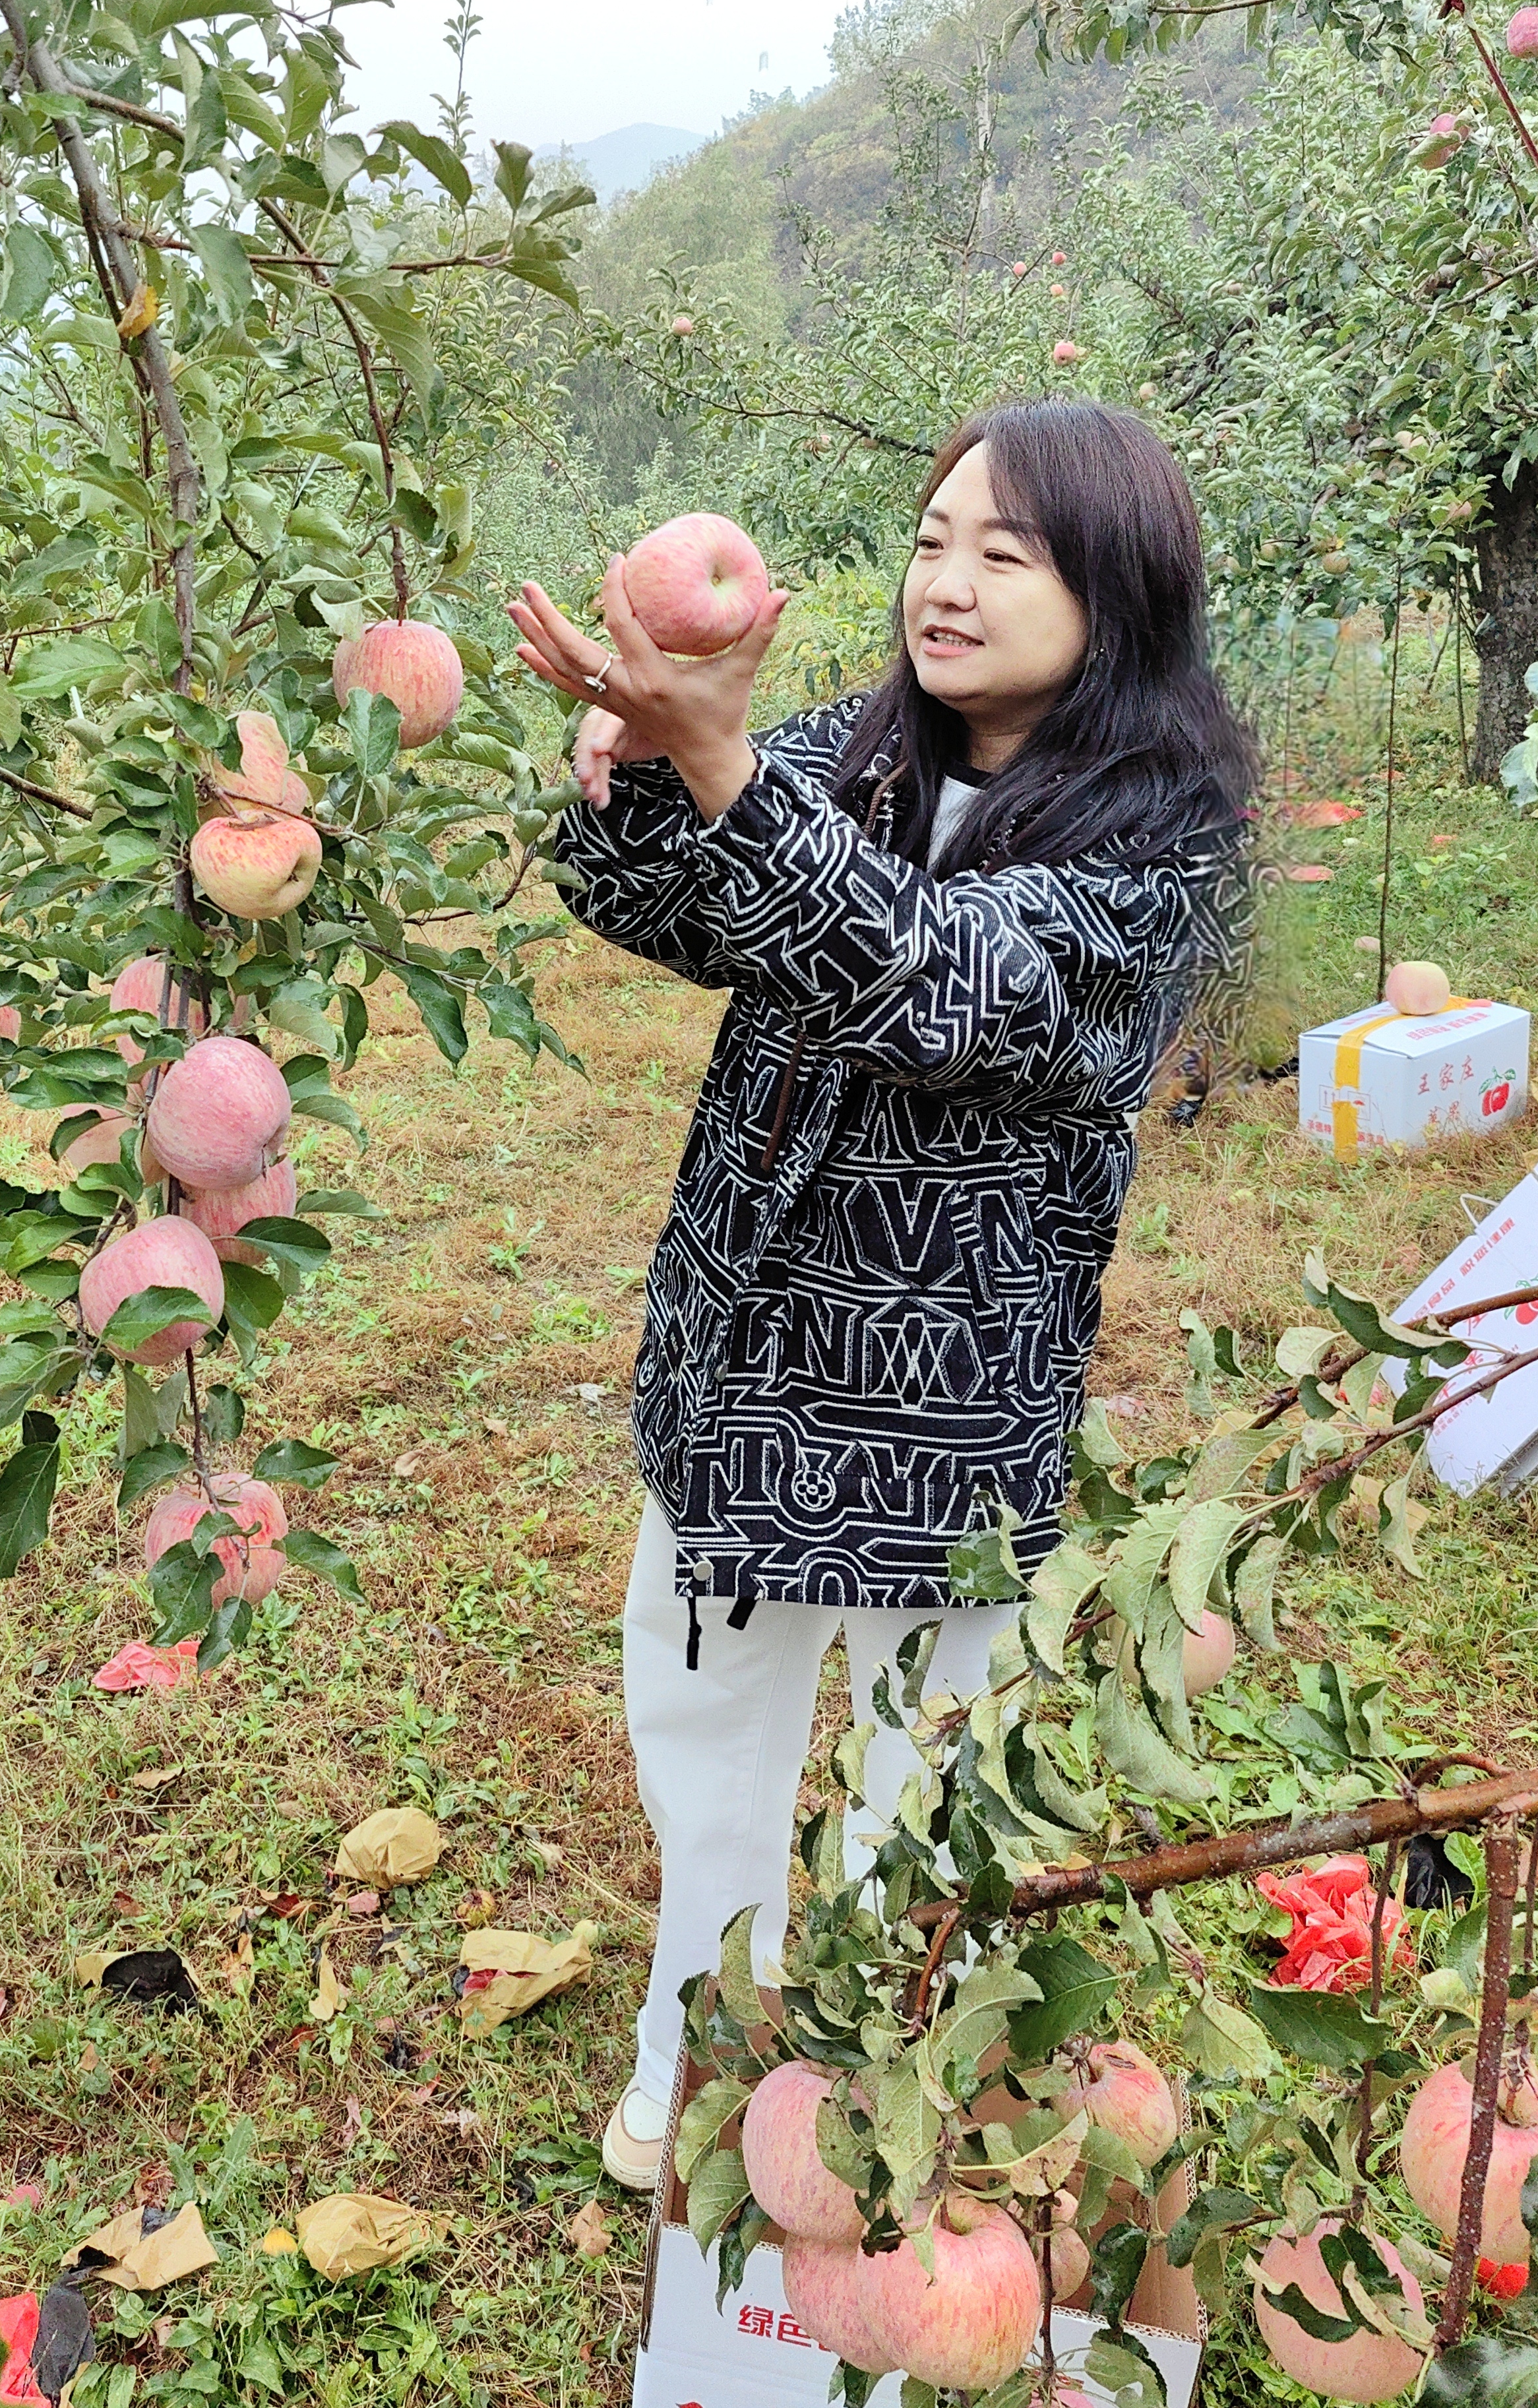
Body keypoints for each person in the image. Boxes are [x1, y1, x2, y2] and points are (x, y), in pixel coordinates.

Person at [508, 399, 1256, 2187]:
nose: (950, 580)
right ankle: (697, 2037)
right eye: (934, 539)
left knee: (926, 1775)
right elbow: (693, 915)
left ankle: (866, 2087)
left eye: (1009, 552)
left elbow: (945, 990)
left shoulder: (1169, 848)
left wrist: (729, 777)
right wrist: (630, 771)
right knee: (706, 1743)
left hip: (949, 1413)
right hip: (747, 1362)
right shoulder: (858, 753)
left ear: (1120, 593)